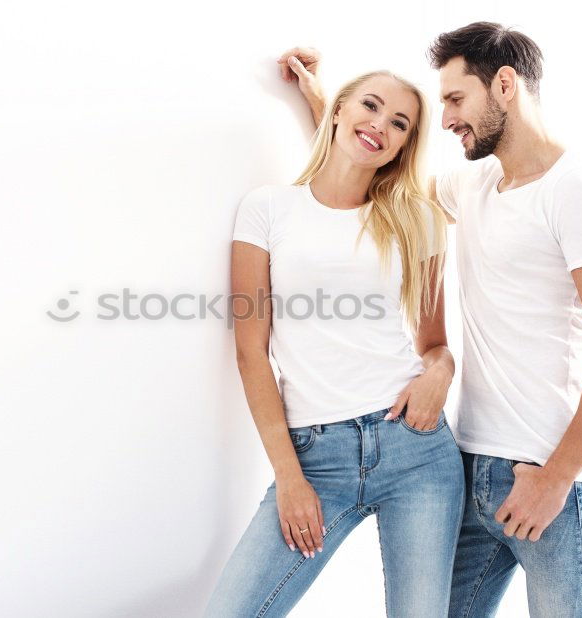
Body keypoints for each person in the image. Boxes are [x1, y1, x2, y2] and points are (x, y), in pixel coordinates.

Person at [282, 21, 582, 618]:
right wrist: (322, 96)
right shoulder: (474, 183)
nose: (446, 117)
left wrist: (557, 479)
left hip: (550, 482)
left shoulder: (576, 192)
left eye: (457, 99)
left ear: (504, 85)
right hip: (470, 467)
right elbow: (378, 165)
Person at [203, 69, 464, 617]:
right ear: (339, 109)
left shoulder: (416, 218)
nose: (380, 126)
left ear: (404, 146)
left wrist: (441, 374)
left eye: (399, 124)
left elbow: (435, 343)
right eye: (369, 106)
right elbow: (252, 352)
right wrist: (288, 477)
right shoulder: (268, 209)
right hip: (315, 459)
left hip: (415, 450)